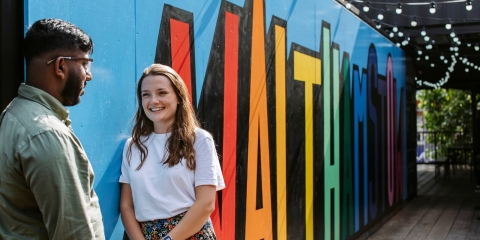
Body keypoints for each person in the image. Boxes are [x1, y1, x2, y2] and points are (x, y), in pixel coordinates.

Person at [0, 18, 105, 239]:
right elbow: (74, 233)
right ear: (60, 66)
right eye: (84, 63)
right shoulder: (47, 132)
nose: (89, 75)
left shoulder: (13, 114)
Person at [120, 64, 225, 240]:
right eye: (146, 94)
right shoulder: (133, 146)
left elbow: (206, 204)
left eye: (162, 93)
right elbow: (126, 206)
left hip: (190, 234)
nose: (153, 101)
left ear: (178, 97)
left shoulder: (199, 140)